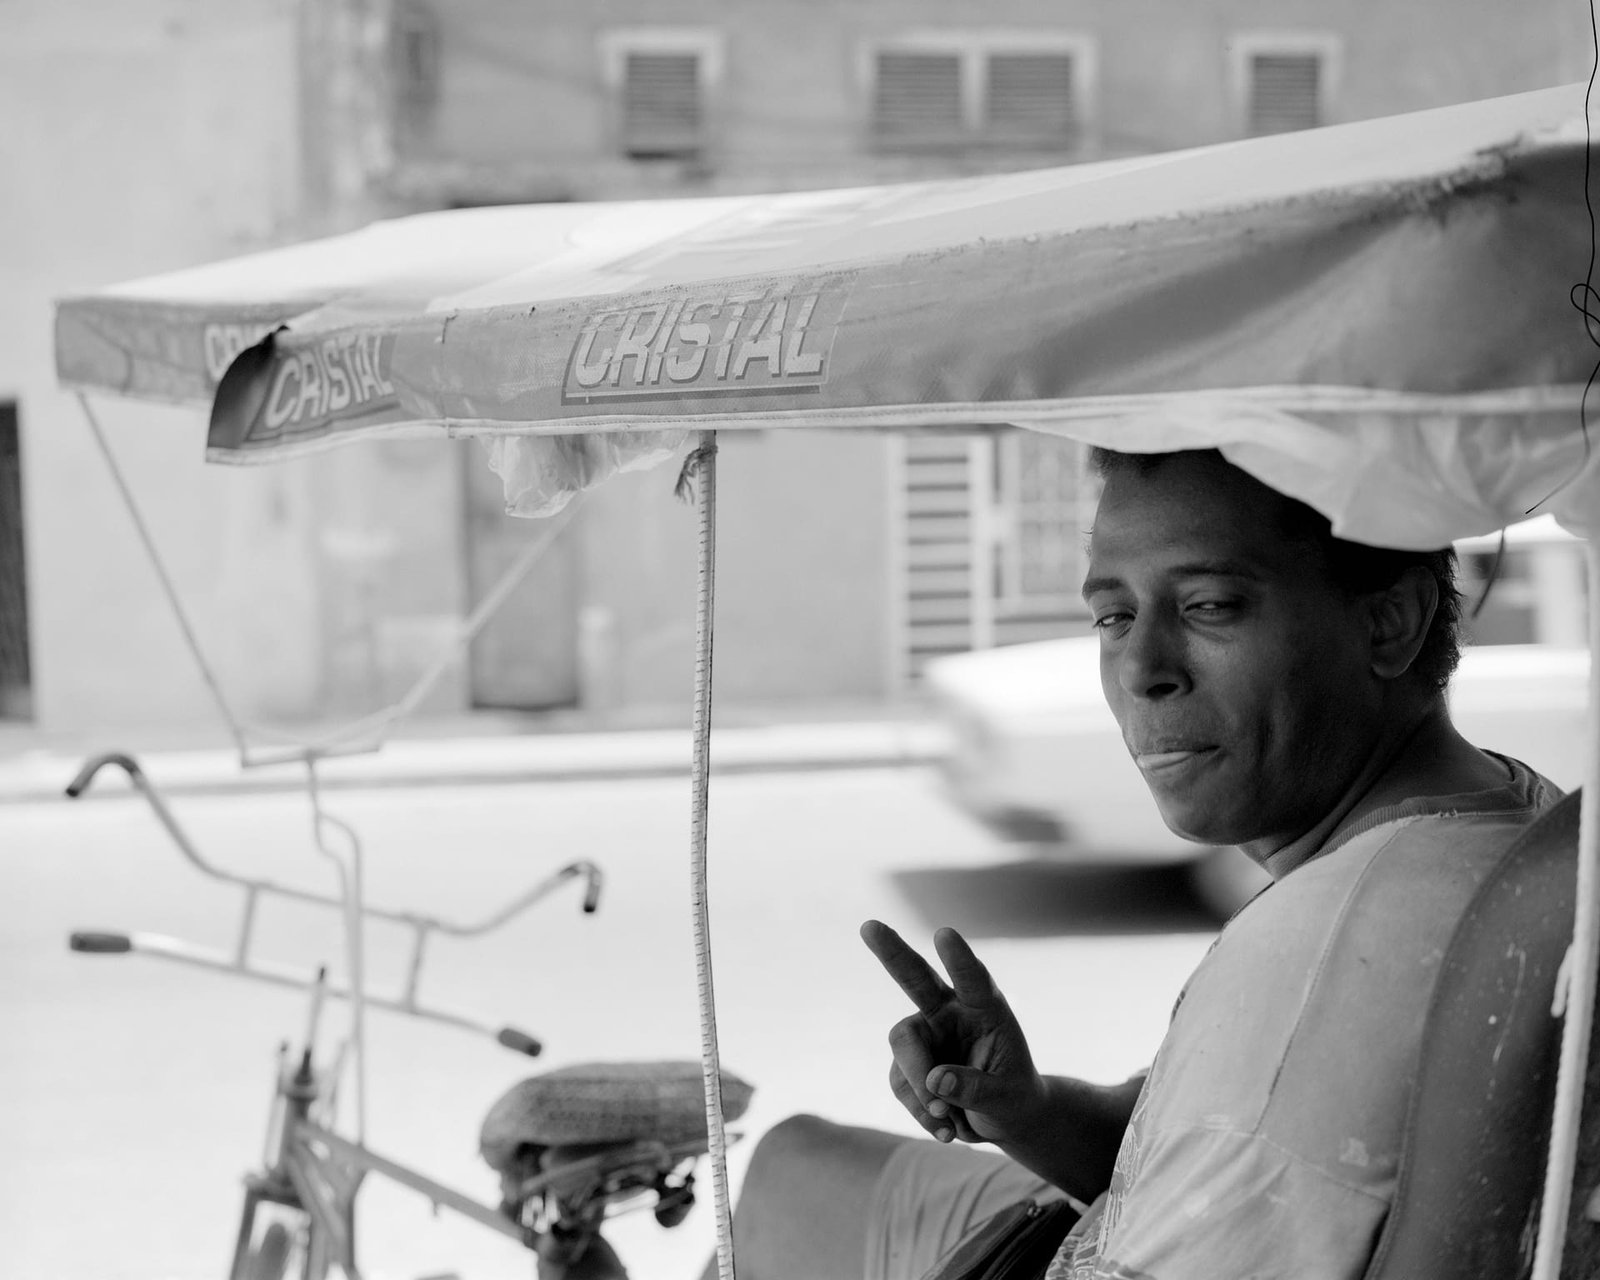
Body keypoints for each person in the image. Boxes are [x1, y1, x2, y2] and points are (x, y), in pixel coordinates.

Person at [706, 447, 1561, 1280]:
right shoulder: (1522, 816)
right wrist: (1028, 1112)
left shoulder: (1317, 967)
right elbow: (1201, 1146)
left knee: (776, 1200)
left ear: (1389, 619)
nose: (1142, 670)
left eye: (1210, 606)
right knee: (792, 1163)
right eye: (1114, 617)